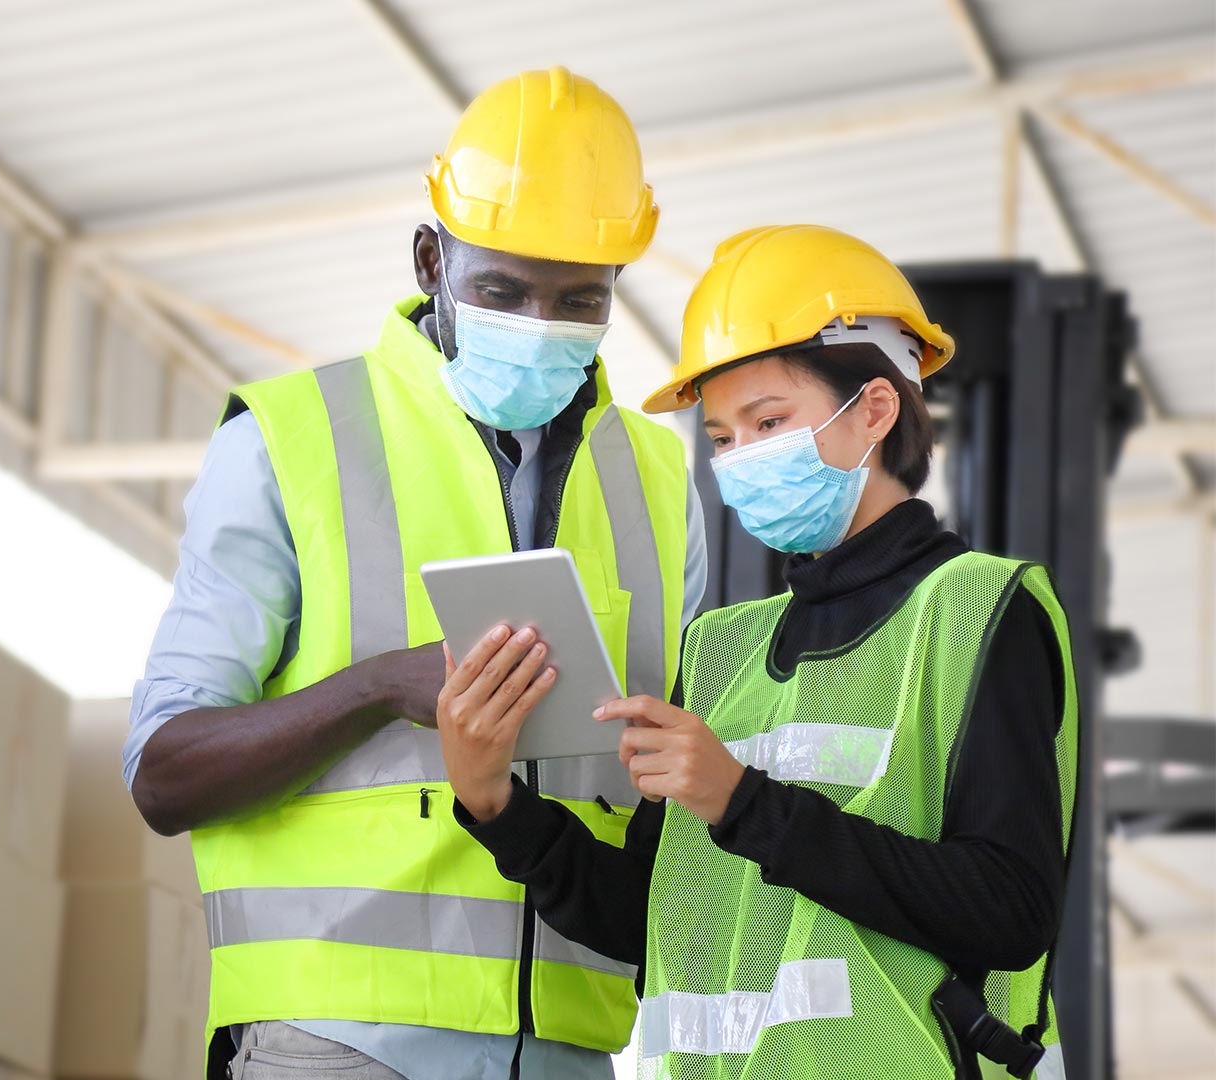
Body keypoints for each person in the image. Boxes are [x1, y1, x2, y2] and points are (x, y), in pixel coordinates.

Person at [123, 68, 708, 1079]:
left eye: (580, 301)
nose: (539, 324)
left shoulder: (659, 479)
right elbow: (165, 773)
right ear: (432, 259)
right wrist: (384, 686)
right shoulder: (290, 441)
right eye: (501, 290)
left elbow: (675, 791)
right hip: (338, 1040)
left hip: (569, 1049)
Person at [437, 224, 1077, 1079]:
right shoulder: (719, 650)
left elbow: (1012, 909)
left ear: (876, 411)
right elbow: (646, 919)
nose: (741, 461)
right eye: (725, 438)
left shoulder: (977, 610)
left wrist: (743, 803)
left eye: (770, 421)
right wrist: (495, 804)